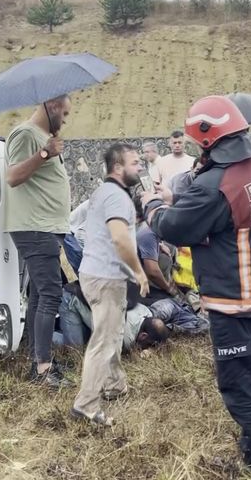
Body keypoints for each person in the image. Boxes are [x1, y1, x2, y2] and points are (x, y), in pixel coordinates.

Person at [142, 96, 251, 471]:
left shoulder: (214, 186)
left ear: (209, 139)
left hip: (234, 300)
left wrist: (153, 205)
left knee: (239, 380)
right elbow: (222, 211)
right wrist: (187, 198)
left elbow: (175, 227)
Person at [70, 144, 150, 426]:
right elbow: (120, 239)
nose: (140, 167)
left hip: (93, 274)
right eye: (135, 163)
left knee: (112, 332)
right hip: (106, 278)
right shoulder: (117, 198)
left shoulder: (103, 193)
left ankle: (115, 385)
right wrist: (139, 273)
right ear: (118, 167)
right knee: (104, 341)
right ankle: (86, 405)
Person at [3, 94, 73, 389]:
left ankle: (37, 359)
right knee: (50, 293)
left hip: (43, 226)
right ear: (53, 106)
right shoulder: (24, 134)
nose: (67, 118)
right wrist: (44, 154)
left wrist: (50, 145)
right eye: (65, 113)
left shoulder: (42, 135)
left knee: (38, 295)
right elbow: (13, 176)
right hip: (34, 227)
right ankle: (43, 369)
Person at [57, 281, 172, 352]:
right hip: (72, 298)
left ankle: (59, 322)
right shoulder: (125, 338)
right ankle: (42, 337)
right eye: (148, 344)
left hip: (86, 293)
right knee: (75, 350)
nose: (146, 348)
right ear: (143, 336)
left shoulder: (145, 312)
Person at [133, 194, 181, 305]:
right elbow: (152, 272)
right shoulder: (147, 233)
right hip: (153, 289)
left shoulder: (146, 229)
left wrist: (159, 244)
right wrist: (169, 289)